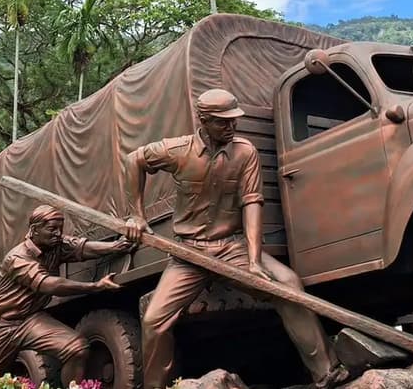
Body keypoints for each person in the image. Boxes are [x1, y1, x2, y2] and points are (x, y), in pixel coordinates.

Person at [123, 88, 350, 389]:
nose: (232, 127)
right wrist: (136, 214)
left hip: (232, 247)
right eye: (222, 122)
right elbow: (134, 160)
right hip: (188, 254)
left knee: (289, 285)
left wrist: (254, 261)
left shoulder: (245, 152)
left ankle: (327, 372)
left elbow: (252, 203)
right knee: (153, 321)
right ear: (203, 120)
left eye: (234, 120)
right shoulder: (177, 150)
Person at [0, 205, 137, 384]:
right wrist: (94, 286)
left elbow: (82, 248)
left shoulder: (56, 245)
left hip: (31, 320)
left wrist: (116, 247)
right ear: (34, 230)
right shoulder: (17, 258)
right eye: (52, 229)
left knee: (77, 348)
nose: (58, 234)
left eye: (60, 229)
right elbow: (49, 285)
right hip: (4, 325)